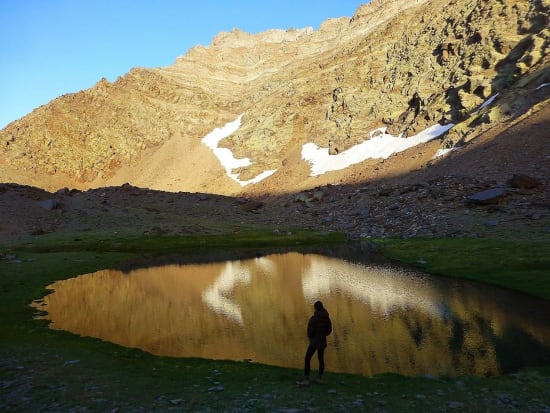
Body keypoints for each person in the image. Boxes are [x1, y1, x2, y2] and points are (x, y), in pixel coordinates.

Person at [296, 300, 332, 386]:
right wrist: (323, 335)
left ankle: (306, 379)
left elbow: (310, 332)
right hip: (322, 341)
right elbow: (329, 330)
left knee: (307, 358)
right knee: (321, 358)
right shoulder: (327, 318)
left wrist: (312, 337)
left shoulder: (314, 319)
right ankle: (319, 377)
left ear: (315, 308)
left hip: (314, 342)